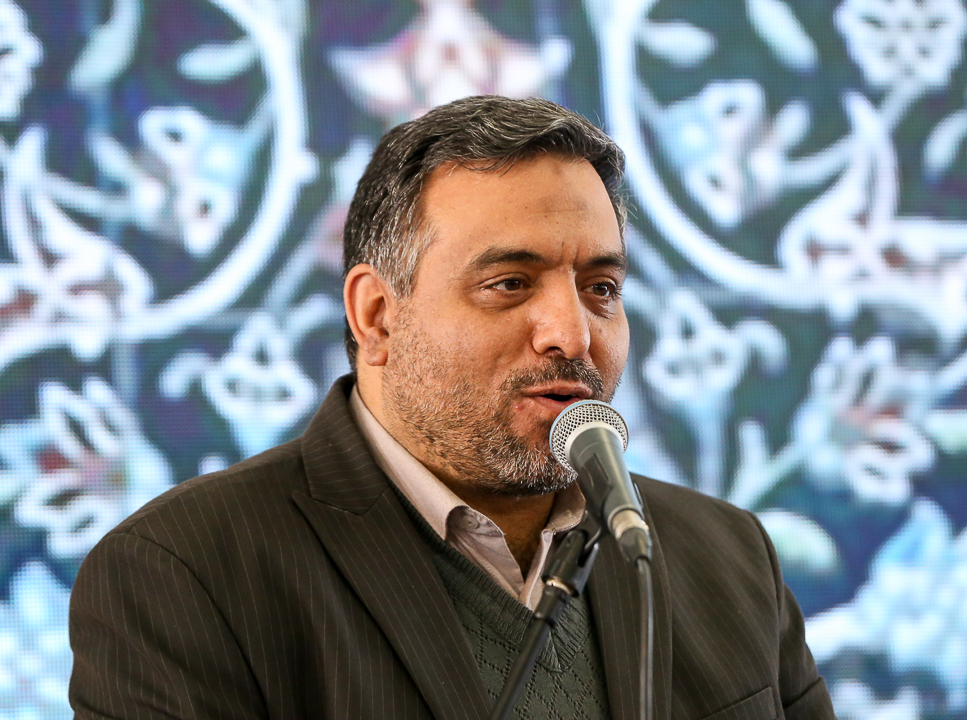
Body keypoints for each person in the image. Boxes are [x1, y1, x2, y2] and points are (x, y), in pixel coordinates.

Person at [69, 96, 835, 720]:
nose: (572, 334)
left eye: (601, 288)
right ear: (376, 317)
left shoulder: (726, 556)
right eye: (509, 284)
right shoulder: (184, 575)